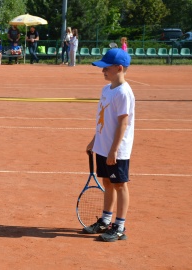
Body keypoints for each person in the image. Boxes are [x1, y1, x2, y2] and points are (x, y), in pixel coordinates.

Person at [83, 48, 134, 242]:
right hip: (103, 146)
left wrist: (114, 150)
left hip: (116, 149)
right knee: (106, 182)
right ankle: (105, 220)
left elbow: (123, 122)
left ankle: (119, 225)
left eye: (106, 68)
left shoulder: (123, 93)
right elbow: (103, 119)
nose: (102, 70)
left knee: (119, 185)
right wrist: (95, 140)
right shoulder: (106, 90)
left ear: (119, 68)